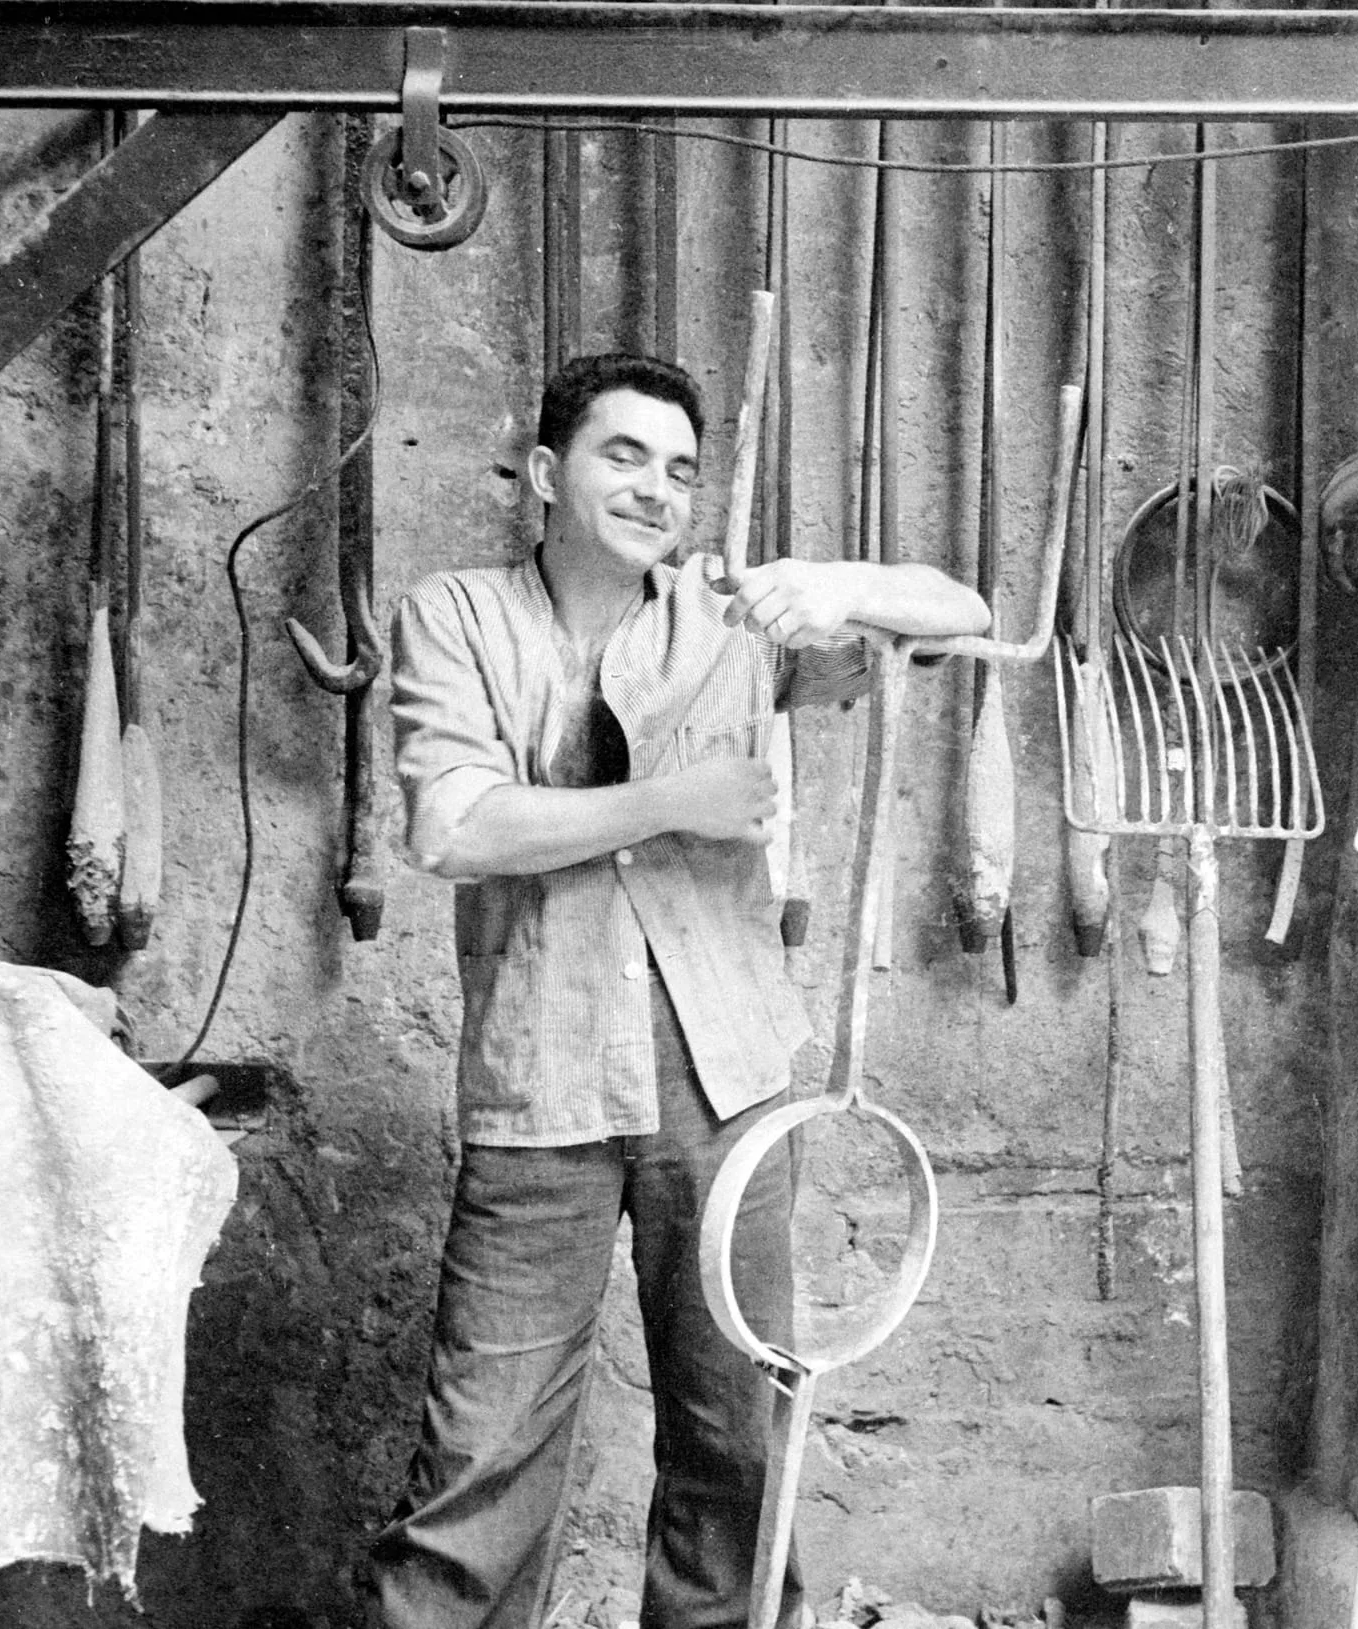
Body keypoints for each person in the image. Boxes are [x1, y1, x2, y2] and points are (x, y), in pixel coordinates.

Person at [377, 352, 988, 1629]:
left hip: (726, 1084)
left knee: (735, 1441)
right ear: (546, 473)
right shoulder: (455, 615)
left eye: (679, 469)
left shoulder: (730, 618)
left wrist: (841, 585)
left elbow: (961, 611)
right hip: (541, 1080)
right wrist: (673, 802)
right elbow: (457, 826)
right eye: (623, 455)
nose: (656, 488)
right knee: (482, 1456)